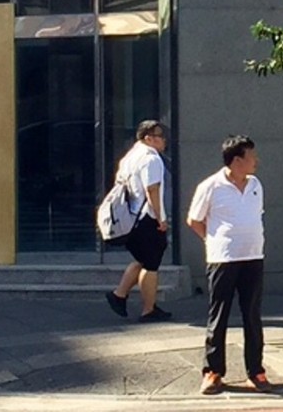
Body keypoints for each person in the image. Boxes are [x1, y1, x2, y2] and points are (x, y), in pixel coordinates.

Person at [187, 134, 271, 395]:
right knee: (219, 316)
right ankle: (213, 372)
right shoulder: (210, 186)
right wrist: (214, 242)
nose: (256, 161)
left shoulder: (255, 184)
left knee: (252, 316)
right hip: (223, 259)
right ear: (237, 160)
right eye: (251, 156)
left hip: (253, 256)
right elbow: (194, 220)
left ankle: (255, 371)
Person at [104, 120, 172, 322]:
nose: (164, 140)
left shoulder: (130, 157)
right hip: (147, 218)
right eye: (160, 136)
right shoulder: (151, 159)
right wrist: (161, 218)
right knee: (151, 264)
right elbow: (152, 189)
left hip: (131, 218)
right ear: (148, 138)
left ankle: (119, 295)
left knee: (143, 259)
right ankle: (148, 309)